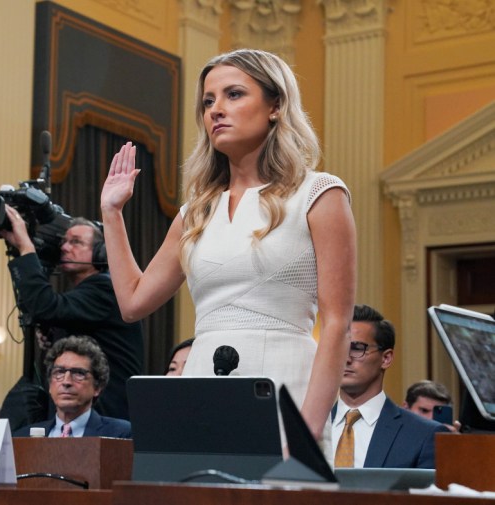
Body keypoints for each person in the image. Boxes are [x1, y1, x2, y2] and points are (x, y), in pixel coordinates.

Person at [100, 48, 356, 441]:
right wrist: (112, 213)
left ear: (275, 105)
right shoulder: (196, 212)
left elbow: (337, 324)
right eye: (208, 101)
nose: (216, 109)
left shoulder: (319, 193)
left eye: (233, 94)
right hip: (204, 385)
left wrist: (308, 429)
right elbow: (133, 303)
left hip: (288, 386)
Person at [1, 214, 143, 420]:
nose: (65, 248)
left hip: (105, 417)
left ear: (101, 253)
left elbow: (45, 306)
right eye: (64, 242)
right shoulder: (85, 293)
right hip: (84, 412)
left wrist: (26, 248)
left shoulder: (105, 288)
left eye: (76, 242)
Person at [331, 305, 448, 469]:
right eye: (339, 347)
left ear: (386, 358)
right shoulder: (307, 426)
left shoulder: (424, 435)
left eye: (357, 348)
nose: (346, 358)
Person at [14, 336, 131, 438]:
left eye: (78, 373)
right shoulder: (23, 437)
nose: (66, 381)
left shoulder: (120, 434)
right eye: (59, 372)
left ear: (97, 387)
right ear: (50, 385)